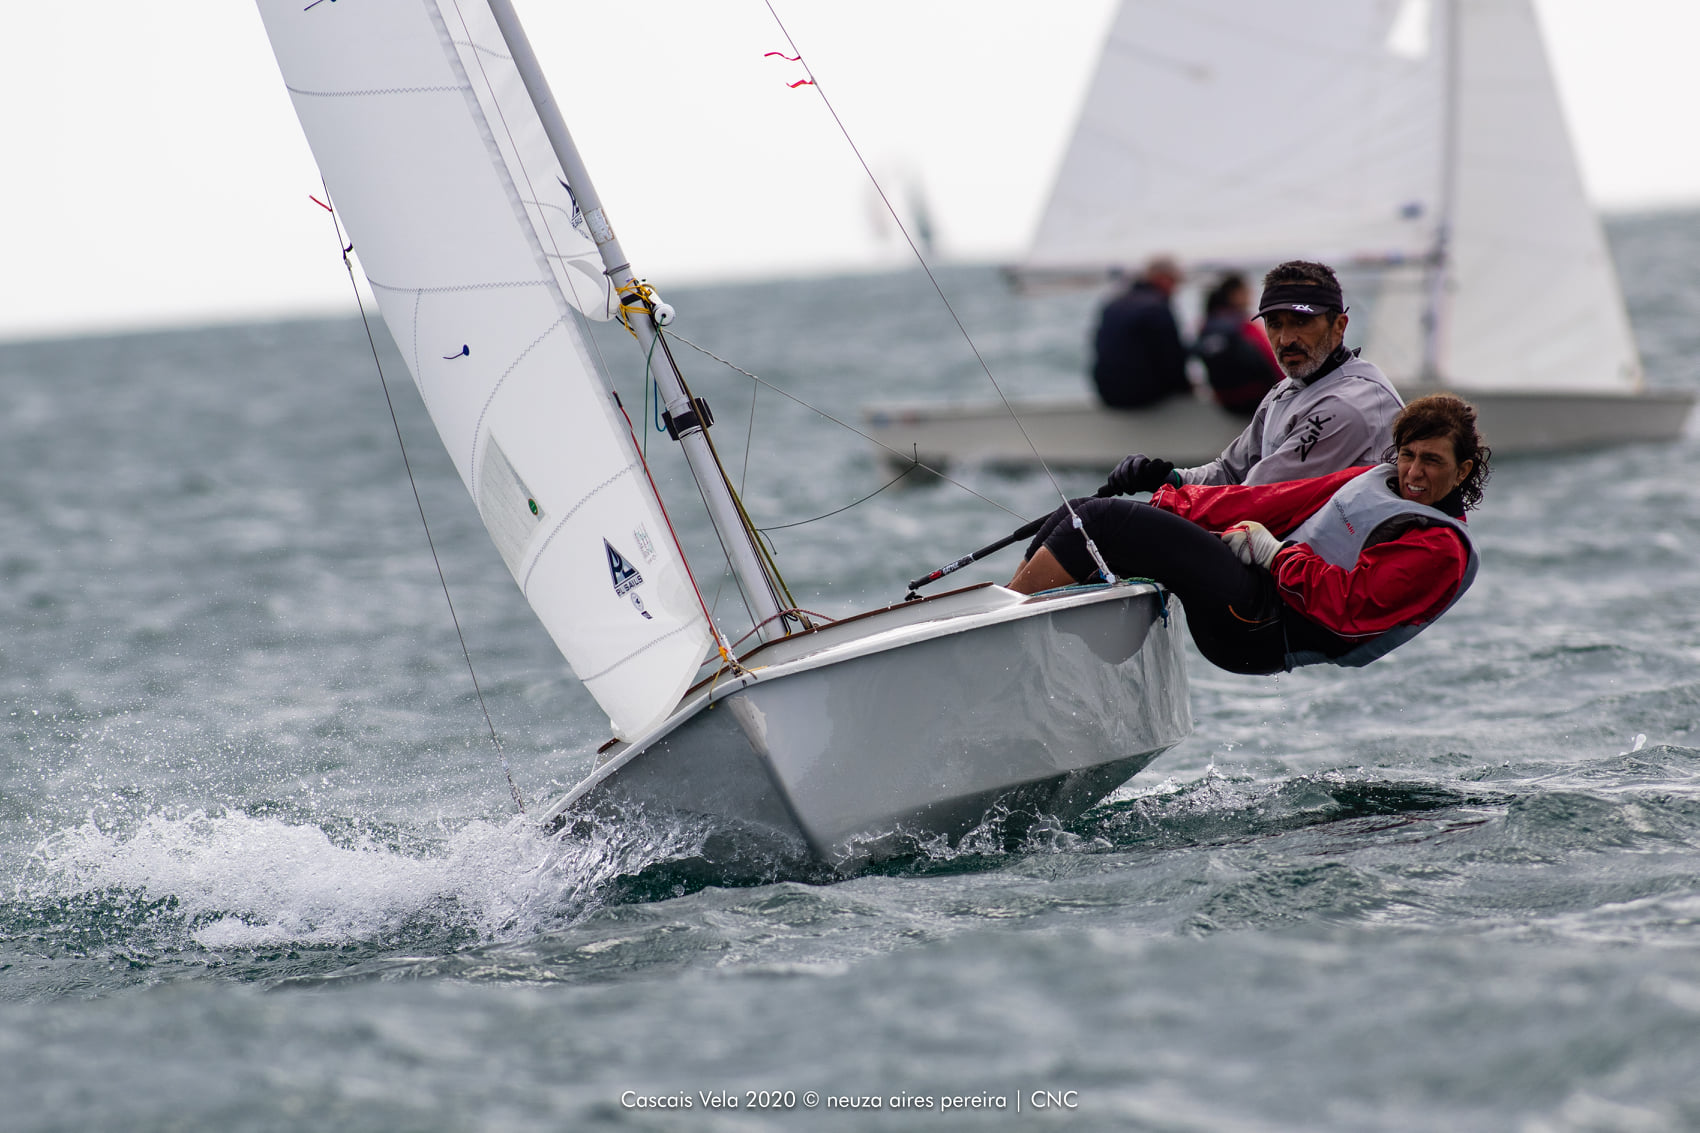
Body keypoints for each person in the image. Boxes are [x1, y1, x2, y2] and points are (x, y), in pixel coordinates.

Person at [1009, 395, 1487, 675]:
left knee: (1102, 523)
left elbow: (1348, 609)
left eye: (1432, 461)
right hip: (1251, 592)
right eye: (1408, 455)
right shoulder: (1375, 480)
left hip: (1264, 630)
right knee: (1082, 515)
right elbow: (1267, 503)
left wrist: (1274, 555)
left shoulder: (1440, 548)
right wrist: (1170, 500)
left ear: (1463, 470)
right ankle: (1009, 620)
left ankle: (1005, 645)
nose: (1414, 472)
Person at [1102, 260, 1403, 494]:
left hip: (1325, 555)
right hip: (1279, 541)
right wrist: (1169, 478)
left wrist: (1162, 508)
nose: (1285, 339)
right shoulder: (1284, 391)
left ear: (1339, 326)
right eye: (1274, 324)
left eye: (1301, 322)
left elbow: (1257, 496)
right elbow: (1229, 472)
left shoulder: (1348, 404)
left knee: (1111, 524)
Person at [1090, 256, 1190, 409]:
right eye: (1174, 282)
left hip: (1107, 393)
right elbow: (1171, 357)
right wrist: (1186, 389)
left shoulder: (1114, 303)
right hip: (1140, 395)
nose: (1175, 290)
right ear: (1163, 279)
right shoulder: (1157, 307)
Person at [1193, 272, 1282, 415]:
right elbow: (1272, 360)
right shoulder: (1244, 326)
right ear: (1235, 295)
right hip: (1259, 399)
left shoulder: (1206, 325)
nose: (1251, 294)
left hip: (1226, 399)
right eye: (1246, 291)